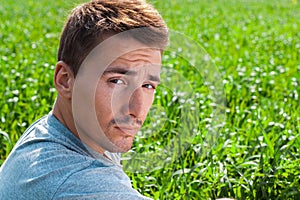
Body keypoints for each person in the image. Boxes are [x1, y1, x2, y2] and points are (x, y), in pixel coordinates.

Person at [0, 0, 168, 199]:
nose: (137, 109)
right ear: (65, 80)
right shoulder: (73, 181)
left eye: (147, 85)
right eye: (117, 81)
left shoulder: (58, 132)